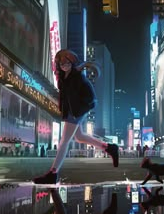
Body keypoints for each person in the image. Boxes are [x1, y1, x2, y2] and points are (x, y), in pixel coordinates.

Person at [33, 49, 119, 184]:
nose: (64, 65)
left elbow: (90, 95)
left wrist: (81, 107)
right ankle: (109, 147)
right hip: (72, 111)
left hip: (77, 110)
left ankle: (53, 173)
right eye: (61, 63)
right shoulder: (63, 78)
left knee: (64, 141)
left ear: (72, 62)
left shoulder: (77, 77)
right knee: (79, 137)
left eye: (67, 63)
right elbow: (64, 97)